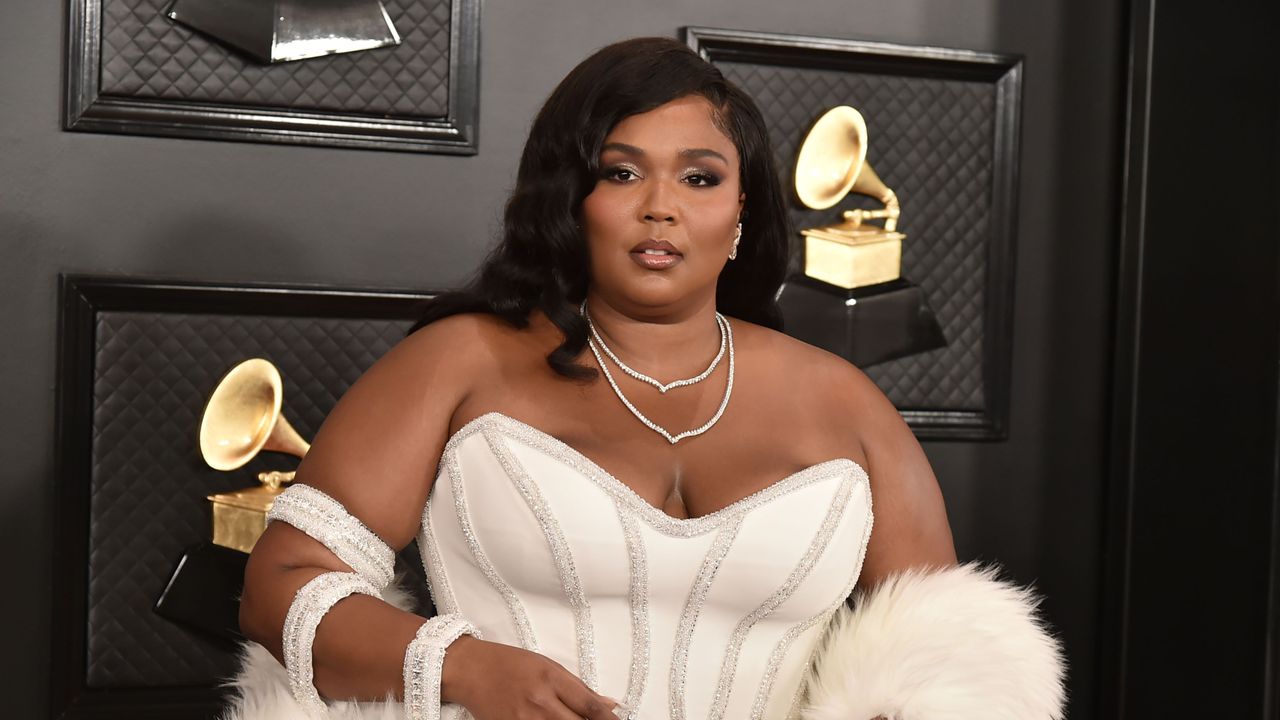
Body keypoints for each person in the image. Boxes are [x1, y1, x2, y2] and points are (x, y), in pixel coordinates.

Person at [231, 37, 1061, 720]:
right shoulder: (459, 363)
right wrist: (465, 668)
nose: (659, 205)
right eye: (622, 172)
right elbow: (279, 586)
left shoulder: (845, 404)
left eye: (700, 177)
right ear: (571, 197)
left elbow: (951, 648)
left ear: (742, 214)